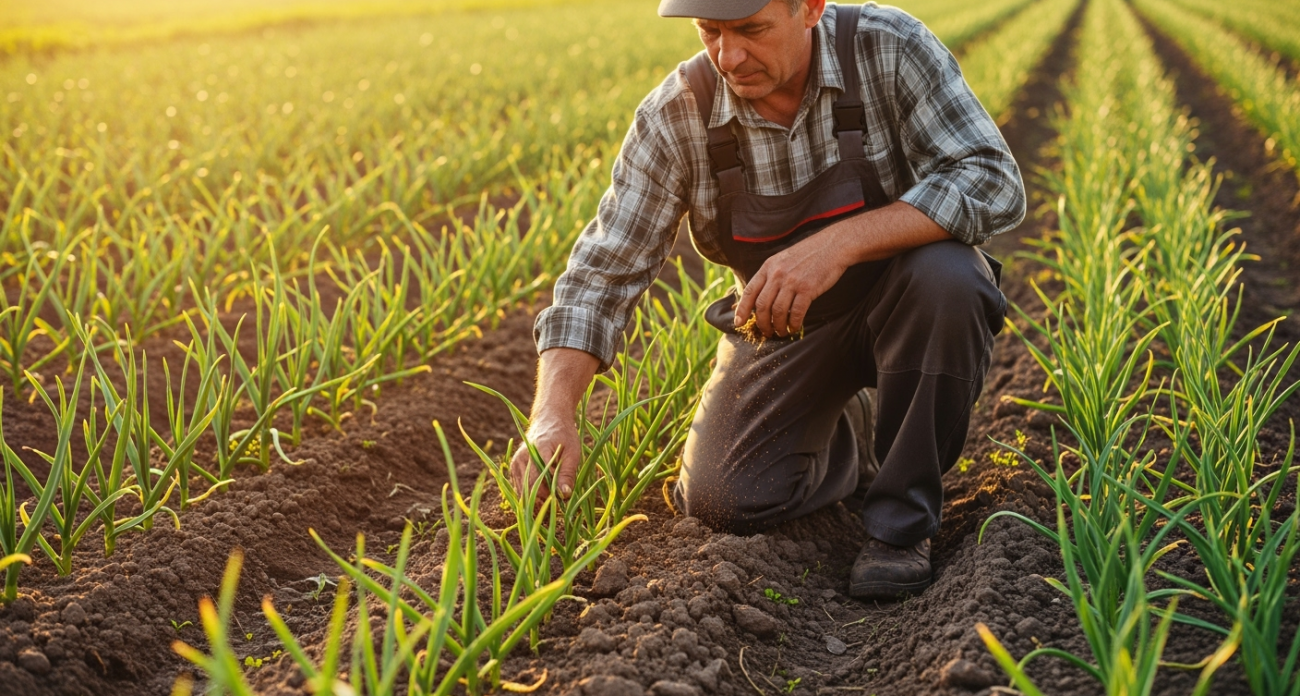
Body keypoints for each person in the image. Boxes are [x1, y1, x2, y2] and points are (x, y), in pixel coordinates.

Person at [512, 0, 1024, 599]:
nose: (729, 56)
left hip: (910, 304)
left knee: (950, 276)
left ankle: (900, 524)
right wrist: (553, 413)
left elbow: (991, 178)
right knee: (723, 500)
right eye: (711, 32)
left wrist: (840, 244)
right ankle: (851, 429)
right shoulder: (680, 113)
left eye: (751, 30)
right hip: (784, 329)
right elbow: (603, 272)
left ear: (809, 7)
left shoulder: (887, 47)